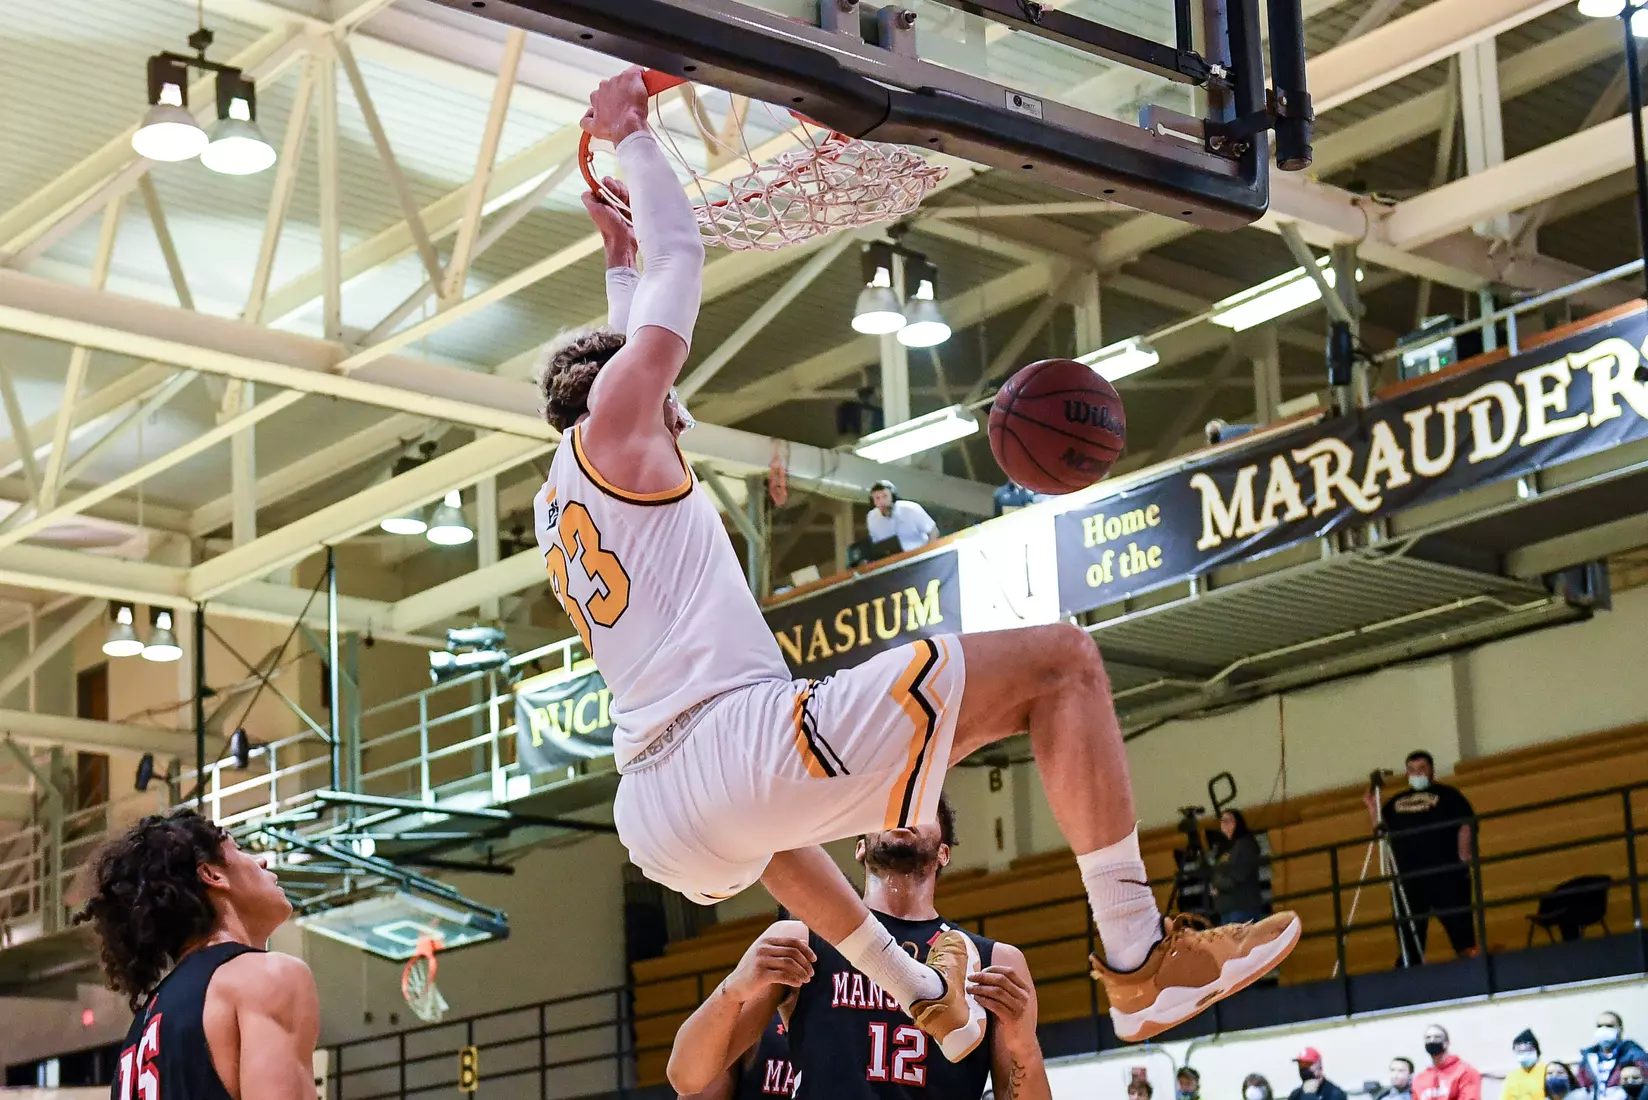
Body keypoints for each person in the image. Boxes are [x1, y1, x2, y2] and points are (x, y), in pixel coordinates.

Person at [538, 67, 1300, 1056]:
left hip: (655, 804)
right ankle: (1137, 956)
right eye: (654, 384)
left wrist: (619, 259)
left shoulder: (563, 487)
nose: (677, 406)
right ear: (623, 390)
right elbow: (677, 270)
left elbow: (633, 322)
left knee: (779, 821)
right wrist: (635, 141)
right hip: (724, 741)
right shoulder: (622, 414)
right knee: (1062, 661)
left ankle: (916, 990)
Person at [666, 797, 1052, 1100]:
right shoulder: (804, 939)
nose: (903, 811)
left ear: (943, 853)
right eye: (888, 805)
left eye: (919, 805)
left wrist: (1023, 1044)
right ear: (859, 847)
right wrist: (734, 987)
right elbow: (687, 1077)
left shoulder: (993, 960)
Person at [71, 809, 318, 1100]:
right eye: (240, 850)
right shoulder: (266, 976)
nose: (261, 860)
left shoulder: (138, 1035)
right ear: (212, 875)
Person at [1365, 751, 1478, 964]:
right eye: (1412, 770)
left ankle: (1472, 965)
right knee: (1409, 937)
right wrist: (1372, 806)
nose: (1417, 773)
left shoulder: (1448, 795)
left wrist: (1464, 857)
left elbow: (1466, 823)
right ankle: (1411, 974)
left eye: (1422, 768)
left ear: (1431, 770)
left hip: (1446, 874)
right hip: (1408, 878)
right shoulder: (1396, 801)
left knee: (1461, 931)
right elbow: (1381, 829)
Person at [1209, 809, 1268, 925]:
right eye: (1222, 821)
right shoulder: (1225, 848)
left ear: (1238, 823)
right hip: (1227, 908)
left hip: (1242, 906)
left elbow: (1237, 875)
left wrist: (1219, 886)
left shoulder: (1244, 844)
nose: (1224, 824)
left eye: (1229, 821)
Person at [1578, 1013, 1648, 1099]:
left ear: (1620, 1029)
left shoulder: (1634, 1055)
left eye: (1609, 1026)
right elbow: (1581, 1085)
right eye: (1600, 1026)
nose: (1603, 1030)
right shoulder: (1588, 1058)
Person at [867, 481, 939, 552]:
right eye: (877, 498)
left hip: (919, 554)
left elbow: (933, 531)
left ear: (893, 496)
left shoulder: (911, 509)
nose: (881, 501)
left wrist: (928, 552)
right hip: (894, 559)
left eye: (885, 496)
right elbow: (875, 544)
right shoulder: (872, 517)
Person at [1414, 1024, 1481, 1100]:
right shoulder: (1419, 1079)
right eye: (1428, 1038)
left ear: (1447, 1043)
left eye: (1437, 1037)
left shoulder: (1465, 1071)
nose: (1432, 1040)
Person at [1504, 1030, 1549, 1100]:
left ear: (1537, 1051)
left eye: (1528, 1050)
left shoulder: (1548, 1072)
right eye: (1520, 1051)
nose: (1524, 1054)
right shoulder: (1511, 1077)